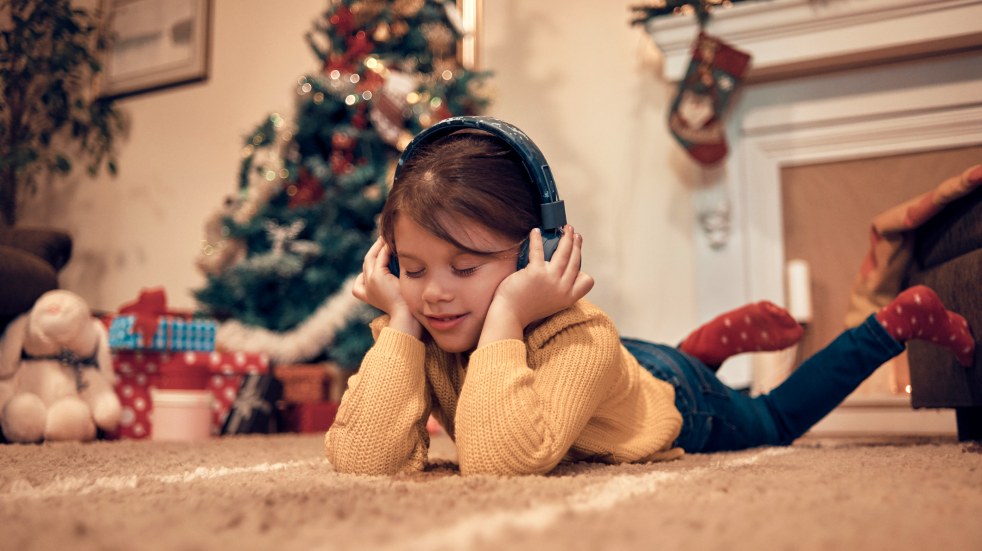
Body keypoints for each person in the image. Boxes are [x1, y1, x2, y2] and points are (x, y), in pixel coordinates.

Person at [324, 117, 975, 476]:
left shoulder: (580, 333)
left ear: (535, 251)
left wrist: (506, 316)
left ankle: (891, 323)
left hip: (677, 402)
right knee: (637, 371)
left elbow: (498, 463)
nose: (435, 292)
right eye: (410, 268)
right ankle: (703, 349)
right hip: (618, 375)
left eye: (464, 268)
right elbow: (364, 458)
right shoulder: (418, 320)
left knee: (774, 419)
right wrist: (400, 317)